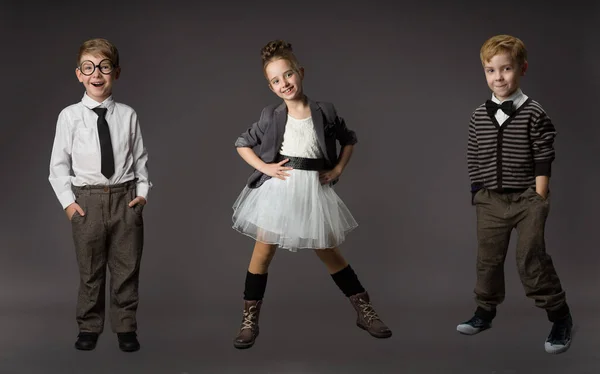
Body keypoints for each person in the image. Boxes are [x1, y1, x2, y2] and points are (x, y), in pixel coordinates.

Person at [231, 40, 391, 349]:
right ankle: (249, 319)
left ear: (300, 72)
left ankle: (364, 310)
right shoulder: (271, 115)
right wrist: (266, 168)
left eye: (288, 75)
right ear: (270, 85)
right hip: (279, 191)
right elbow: (242, 142)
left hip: (313, 192)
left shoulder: (325, 111)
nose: (284, 83)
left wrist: (339, 169)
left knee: (328, 250)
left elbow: (349, 140)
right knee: (263, 252)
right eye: (276, 80)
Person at [457, 34, 572, 354]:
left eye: (506, 69)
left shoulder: (534, 112)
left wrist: (539, 194)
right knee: (488, 260)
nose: (498, 78)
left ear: (522, 69)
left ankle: (560, 316)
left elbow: (543, 153)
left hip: (526, 199)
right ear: (484, 73)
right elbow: (473, 154)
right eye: (491, 71)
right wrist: (478, 190)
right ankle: (485, 311)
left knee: (530, 260)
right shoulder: (479, 115)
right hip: (490, 200)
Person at [48, 38, 151, 352]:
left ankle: (125, 328)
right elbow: (58, 164)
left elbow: (140, 159)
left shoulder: (128, 115)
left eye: (104, 67)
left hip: (124, 199)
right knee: (90, 269)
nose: (97, 74)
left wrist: (142, 195)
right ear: (79, 74)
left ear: (116, 72)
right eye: (89, 67)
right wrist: (69, 204)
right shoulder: (69, 117)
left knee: (126, 267)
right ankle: (89, 327)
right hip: (87, 202)